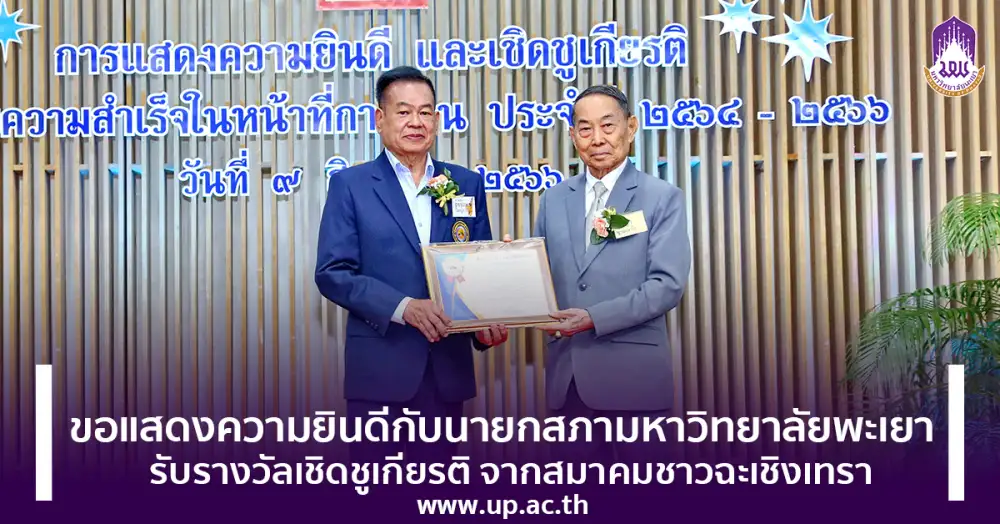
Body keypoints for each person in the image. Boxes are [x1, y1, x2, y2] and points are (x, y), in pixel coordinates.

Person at [314, 66, 508, 463]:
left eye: (425, 112)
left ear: (437, 119)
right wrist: (404, 307)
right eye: (403, 112)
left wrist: (484, 326)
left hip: (446, 374)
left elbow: (478, 270)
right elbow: (333, 273)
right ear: (379, 118)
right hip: (379, 374)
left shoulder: (466, 183)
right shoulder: (351, 185)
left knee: (436, 490)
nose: (416, 122)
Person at [532, 85, 691, 463]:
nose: (597, 138)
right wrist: (508, 266)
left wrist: (593, 317)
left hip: (635, 381)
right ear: (573, 136)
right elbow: (541, 278)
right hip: (568, 381)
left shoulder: (661, 196)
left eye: (608, 125)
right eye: (585, 129)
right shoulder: (554, 199)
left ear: (630, 127)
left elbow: (667, 286)